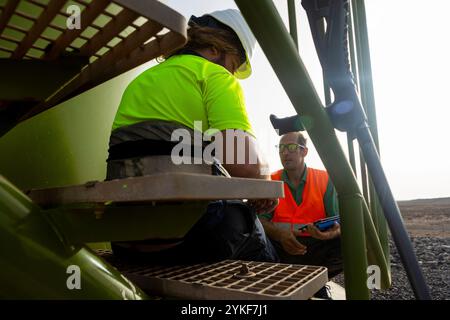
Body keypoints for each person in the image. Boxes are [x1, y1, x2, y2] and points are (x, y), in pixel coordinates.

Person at [106, 9, 278, 264]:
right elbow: (245, 164)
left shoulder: (142, 80)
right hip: (195, 238)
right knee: (252, 230)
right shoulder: (214, 76)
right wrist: (264, 180)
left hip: (125, 239)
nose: (231, 74)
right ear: (215, 47)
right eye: (232, 65)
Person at [259, 131, 343, 298]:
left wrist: (329, 234)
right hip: (281, 249)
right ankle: (305, 283)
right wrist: (280, 234)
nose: (285, 152)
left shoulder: (325, 179)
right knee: (254, 239)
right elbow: (260, 220)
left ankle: (315, 282)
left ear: (304, 151)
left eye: (291, 147)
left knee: (353, 241)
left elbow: (338, 224)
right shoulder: (271, 181)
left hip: (317, 247)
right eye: (281, 148)